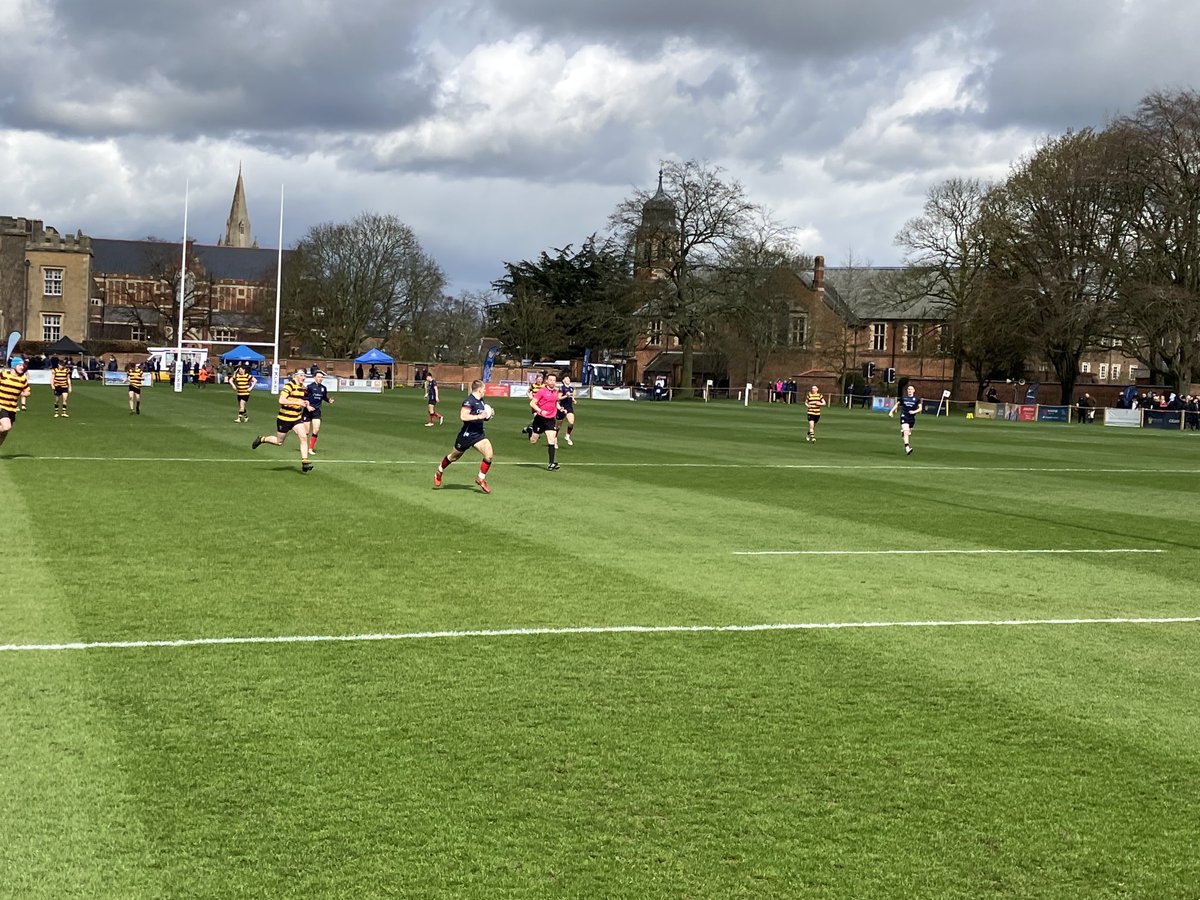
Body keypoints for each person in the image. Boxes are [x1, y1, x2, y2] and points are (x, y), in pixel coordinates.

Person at [434, 379, 495, 493]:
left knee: (489, 455)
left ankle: (480, 478)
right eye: (484, 389)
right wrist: (479, 416)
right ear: (480, 390)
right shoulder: (468, 401)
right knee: (453, 457)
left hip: (479, 434)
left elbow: (482, 416)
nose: (485, 391)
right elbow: (463, 416)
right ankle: (439, 470)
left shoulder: (481, 401)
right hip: (466, 435)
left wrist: (489, 415)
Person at [251, 369, 314, 473]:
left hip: (296, 418)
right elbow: (281, 400)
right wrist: (298, 402)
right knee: (279, 442)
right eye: (302, 375)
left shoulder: (303, 388)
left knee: (303, 437)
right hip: (284, 418)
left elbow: (302, 400)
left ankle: (305, 462)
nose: (304, 377)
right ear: (296, 376)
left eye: (304, 375)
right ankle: (262, 439)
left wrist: (307, 404)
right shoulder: (289, 386)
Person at [528, 372, 562, 470]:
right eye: (550, 380)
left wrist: (560, 409)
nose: (552, 382)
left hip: (550, 419)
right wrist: (540, 411)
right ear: (546, 381)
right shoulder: (542, 391)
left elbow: (555, 402)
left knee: (551, 440)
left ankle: (551, 463)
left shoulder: (556, 391)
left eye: (554, 380)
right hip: (540, 418)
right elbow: (532, 403)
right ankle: (530, 430)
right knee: (533, 441)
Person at [0, 356, 31, 452]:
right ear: (14, 366)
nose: (22, 367)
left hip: (12, 408)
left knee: (4, 434)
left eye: (23, 365)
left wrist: (23, 393)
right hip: (1, 405)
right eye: (20, 365)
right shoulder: (3, 375)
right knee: (6, 427)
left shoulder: (23, 379)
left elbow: (28, 391)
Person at [303, 370, 335, 454]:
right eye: (319, 377)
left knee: (316, 430)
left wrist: (329, 400)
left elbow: (324, 397)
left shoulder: (323, 388)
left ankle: (310, 449)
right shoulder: (309, 387)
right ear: (314, 378)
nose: (320, 379)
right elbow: (304, 398)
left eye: (322, 377)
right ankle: (304, 446)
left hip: (317, 411)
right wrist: (308, 406)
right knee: (306, 432)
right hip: (307, 411)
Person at [888, 384, 921, 455]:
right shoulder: (904, 398)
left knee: (908, 433)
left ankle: (903, 433)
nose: (910, 390)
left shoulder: (917, 399)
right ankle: (907, 448)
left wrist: (914, 412)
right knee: (906, 432)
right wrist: (891, 411)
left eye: (911, 389)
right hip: (904, 416)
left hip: (912, 418)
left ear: (914, 391)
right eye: (908, 389)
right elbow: (897, 404)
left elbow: (920, 408)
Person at [557, 375, 577, 445]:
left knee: (571, 422)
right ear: (563, 380)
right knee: (558, 426)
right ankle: (555, 438)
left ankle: (567, 436)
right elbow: (559, 398)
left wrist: (573, 400)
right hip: (562, 407)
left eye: (569, 378)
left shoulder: (571, 388)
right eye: (566, 378)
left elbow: (571, 397)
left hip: (569, 407)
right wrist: (566, 396)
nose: (568, 379)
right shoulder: (562, 388)